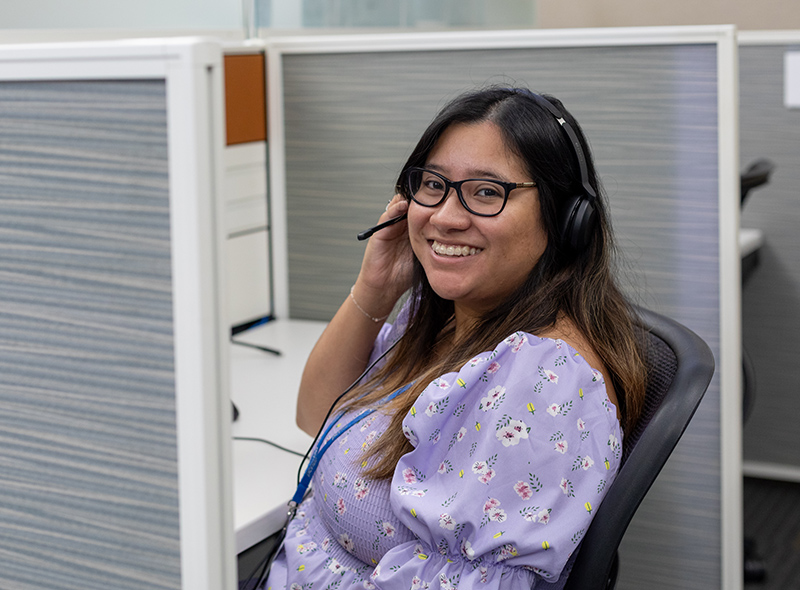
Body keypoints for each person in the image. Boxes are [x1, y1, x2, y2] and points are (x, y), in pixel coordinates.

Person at [263, 86, 647, 590]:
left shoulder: (539, 384)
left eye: (487, 192)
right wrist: (375, 289)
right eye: (433, 185)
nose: (445, 216)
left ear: (565, 218)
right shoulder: (448, 316)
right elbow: (316, 415)